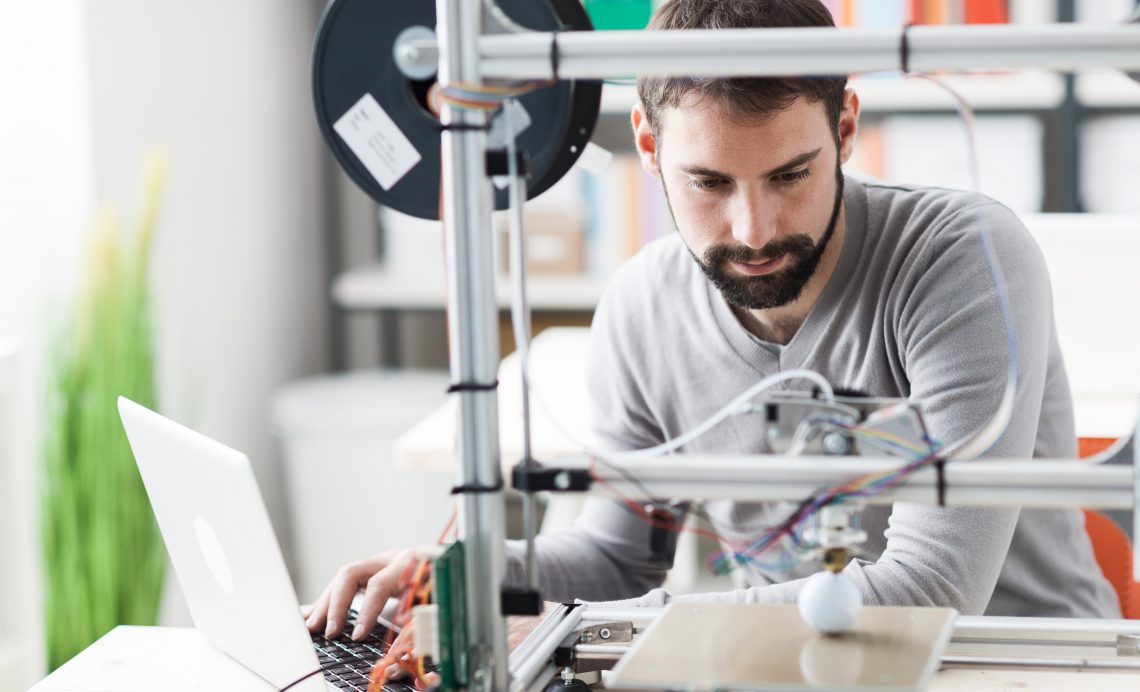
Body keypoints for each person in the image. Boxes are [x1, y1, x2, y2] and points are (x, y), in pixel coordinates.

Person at [305, 0, 1120, 647]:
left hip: (1018, 666)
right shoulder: (639, 307)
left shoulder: (960, 258)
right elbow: (616, 558)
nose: (755, 229)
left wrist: (650, 628)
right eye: (708, 182)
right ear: (648, 145)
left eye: (791, 174)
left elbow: (930, 588)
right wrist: (469, 574)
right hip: (788, 667)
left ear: (844, 130)